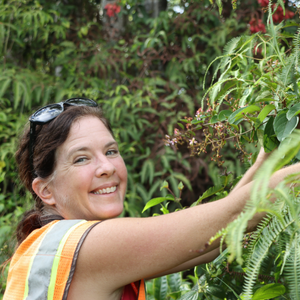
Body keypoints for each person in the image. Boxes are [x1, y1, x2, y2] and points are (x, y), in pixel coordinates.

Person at [3, 98, 300, 300]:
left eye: (110, 151)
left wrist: (269, 154)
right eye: (81, 159)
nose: (107, 167)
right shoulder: (87, 248)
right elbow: (232, 215)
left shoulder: (48, 249)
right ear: (46, 191)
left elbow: (217, 235)